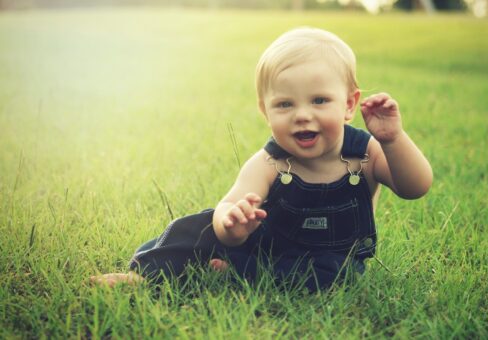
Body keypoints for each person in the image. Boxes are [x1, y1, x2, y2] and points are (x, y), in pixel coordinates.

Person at [91, 27, 432, 291]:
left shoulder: (367, 153)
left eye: (319, 100)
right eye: (285, 104)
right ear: (265, 111)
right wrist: (232, 224)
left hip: (328, 260)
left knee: (335, 274)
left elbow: (414, 187)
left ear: (348, 104)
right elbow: (230, 204)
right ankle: (146, 273)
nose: (302, 115)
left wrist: (394, 140)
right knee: (198, 227)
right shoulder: (269, 163)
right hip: (264, 245)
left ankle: (236, 274)